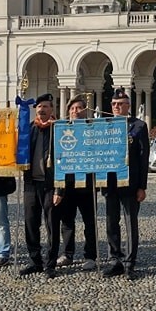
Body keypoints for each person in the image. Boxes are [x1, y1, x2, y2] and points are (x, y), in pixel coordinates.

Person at [103, 88, 149, 280]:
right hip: (110, 183)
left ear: (128, 106)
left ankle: (130, 263)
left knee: (130, 223)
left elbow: (143, 157)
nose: (116, 107)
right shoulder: (104, 126)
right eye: (114, 104)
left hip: (130, 184)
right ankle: (115, 259)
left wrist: (142, 186)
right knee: (111, 223)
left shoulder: (138, 126)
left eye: (120, 104)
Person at [52, 94, 98, 271]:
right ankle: (67, 254)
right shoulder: (62, 130)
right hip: (68, 184)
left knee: (90, 222)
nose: (75, 111)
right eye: (72, 109)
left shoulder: (92, 129)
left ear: (85, 110)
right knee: (67, 222)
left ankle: (90, 255)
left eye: (78, 108)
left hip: (86, 184)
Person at [20, 93, 58, 279]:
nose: (42, 110)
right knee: (30, 223)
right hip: (31, 184)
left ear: (52, 109)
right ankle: (35, 261)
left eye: (45, 106)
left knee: (51, 223)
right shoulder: (29, 130)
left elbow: (64, 162)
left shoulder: (58, 130)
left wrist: (60, 189)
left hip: (50, 185)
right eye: (39, 107)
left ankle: (50, 263)